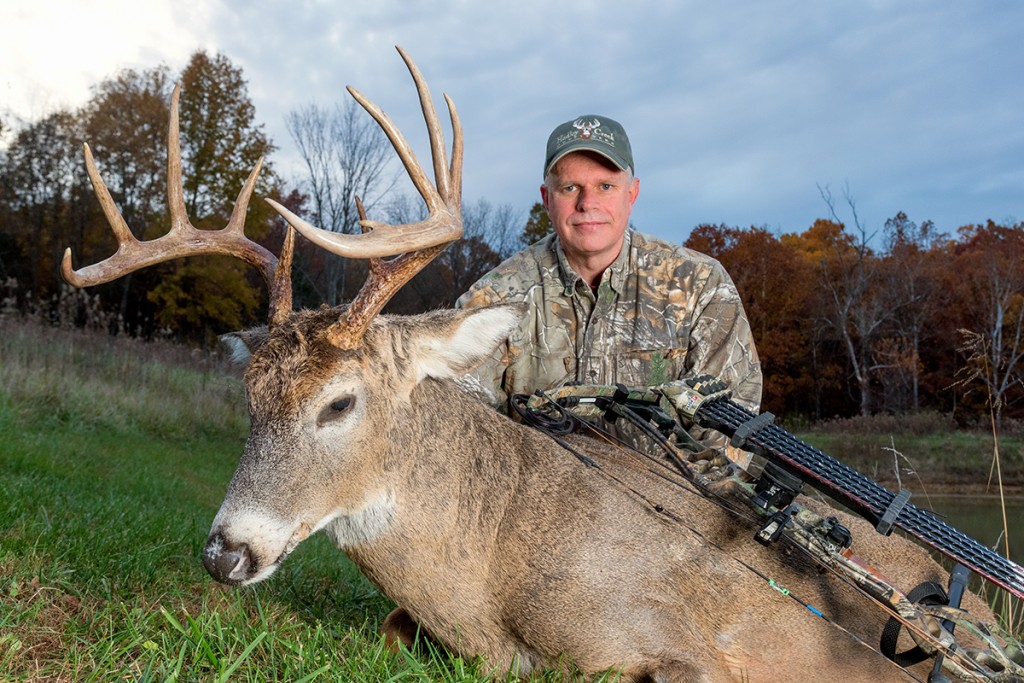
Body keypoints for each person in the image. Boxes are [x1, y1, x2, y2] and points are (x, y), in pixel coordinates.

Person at [455, 114, 762, 458]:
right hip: (535, 502)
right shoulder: (495, 299)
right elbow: (460, 421)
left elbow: (728, 427)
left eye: (605, 186)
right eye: (570, 187)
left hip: (670, 502)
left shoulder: (700, 285)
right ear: (546, 198)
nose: (588, 203)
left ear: (632, 193)